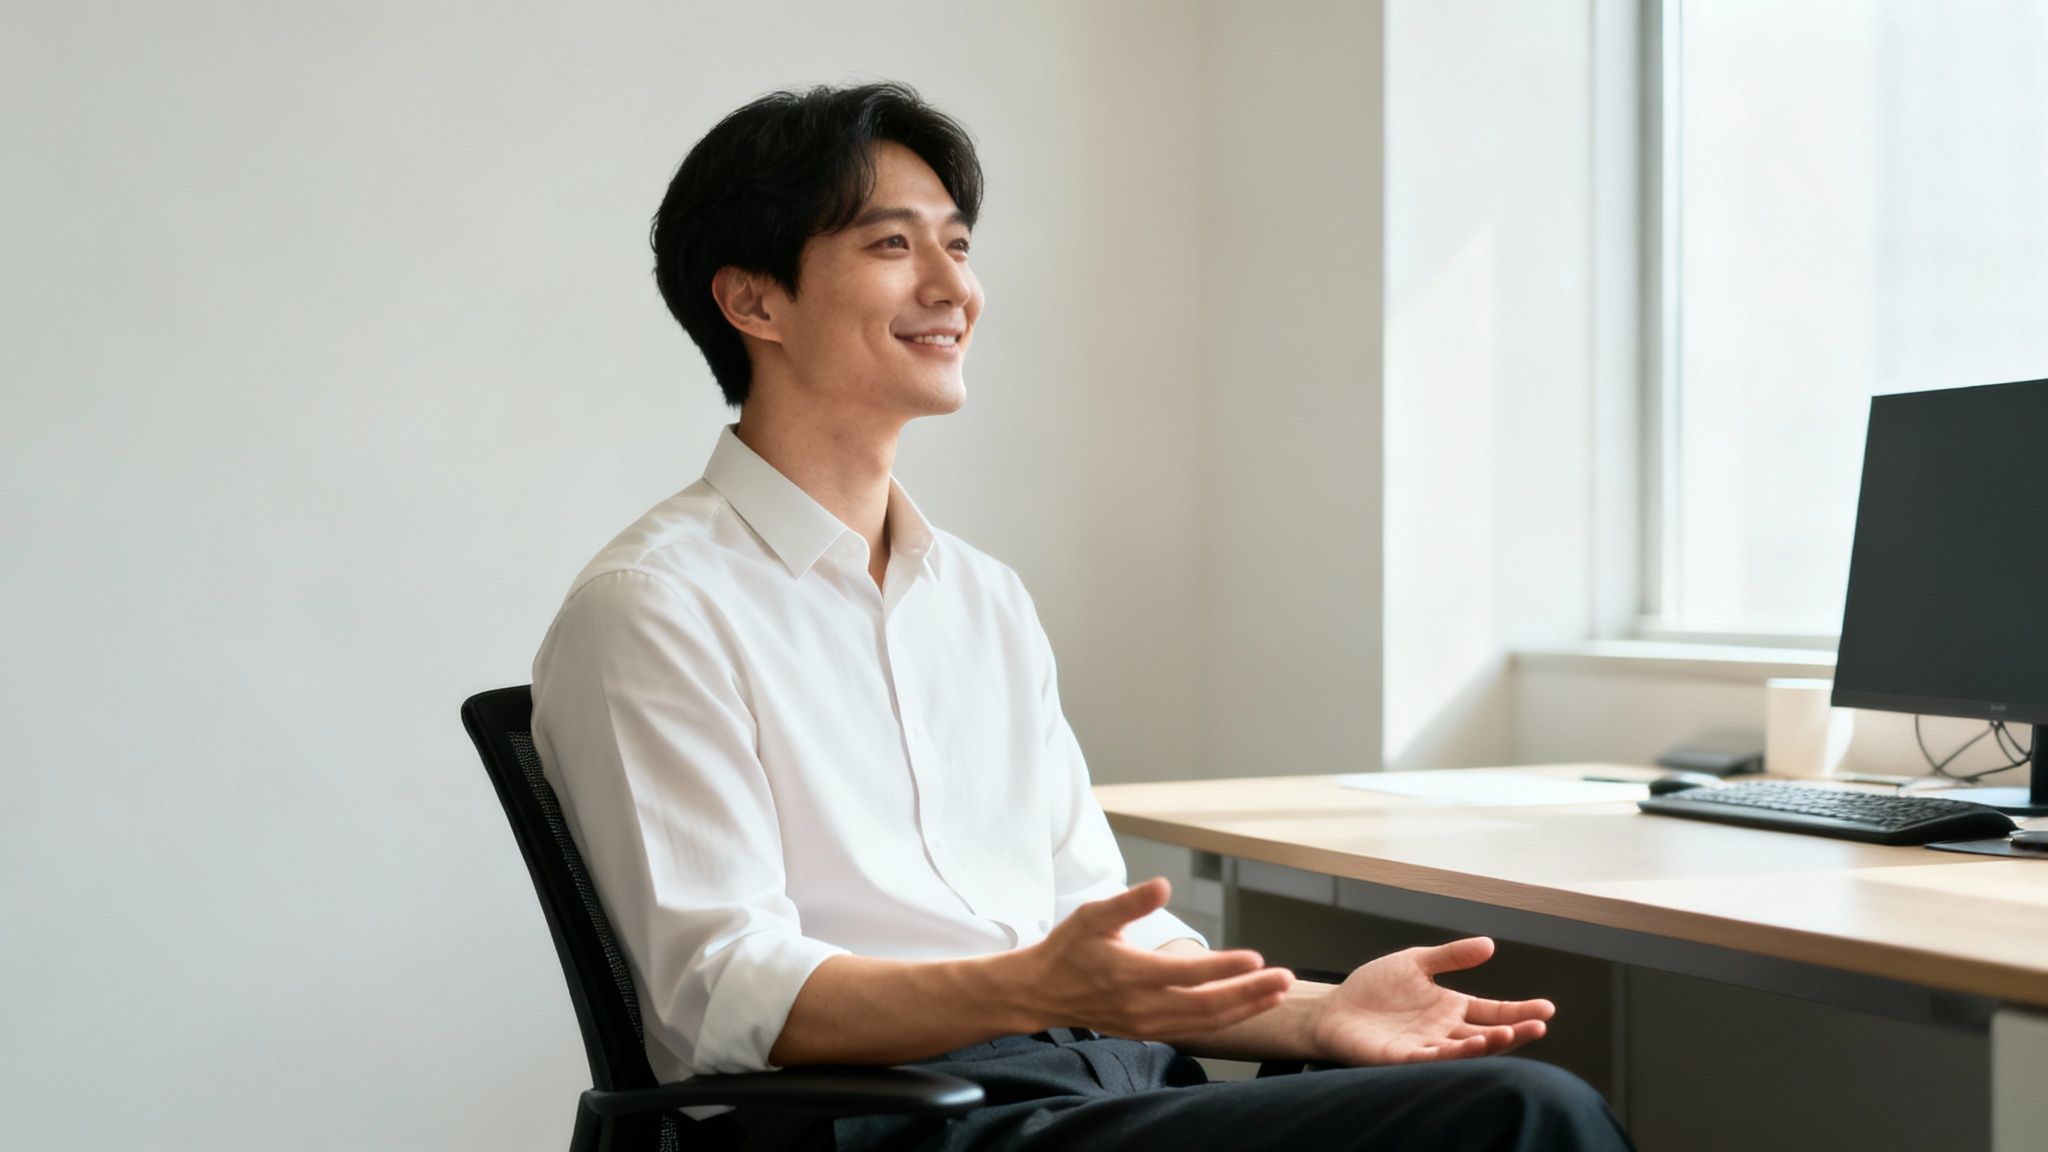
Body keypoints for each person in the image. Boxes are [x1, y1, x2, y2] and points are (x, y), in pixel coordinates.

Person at [531, 81, 1633, 1152]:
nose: (949, 287)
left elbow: (1103, 926)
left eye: (957, 246)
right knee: (1519, 1116)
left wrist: (1315, 1009)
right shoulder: (653, 607)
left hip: (1097, 1081)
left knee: (1488, 1088)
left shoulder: (981, 599)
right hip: (886, 1120)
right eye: (890, 245)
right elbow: (722, 990)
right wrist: (1023, 987)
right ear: (752, 301)